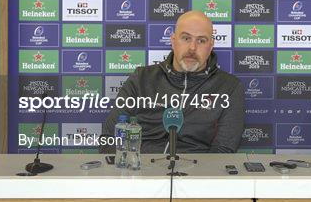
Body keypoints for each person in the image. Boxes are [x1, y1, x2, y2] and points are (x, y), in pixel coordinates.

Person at [100, 11, 245, 153]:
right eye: (186, 38)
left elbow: (223, 151)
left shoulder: (229, 87)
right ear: (173, 40)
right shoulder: (141, 78)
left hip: (195, 172)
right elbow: (109, 140)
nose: (192, 48)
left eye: (201, 40)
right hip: (140, 169)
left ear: (211, 45)